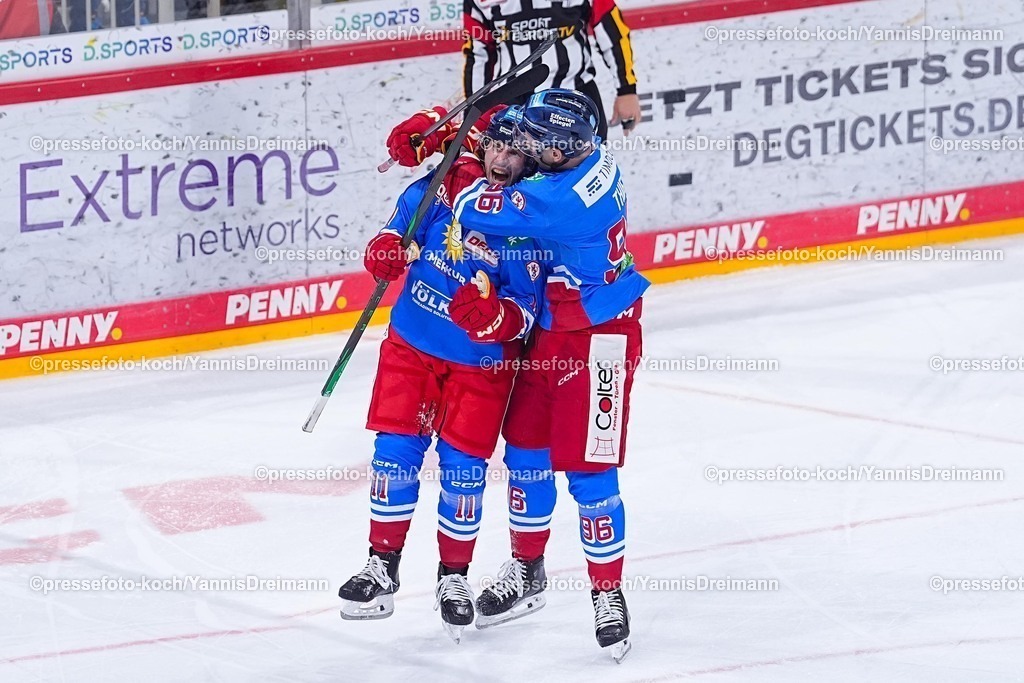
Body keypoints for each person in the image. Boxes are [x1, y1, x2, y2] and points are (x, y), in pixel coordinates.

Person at [451, 89, 648, 660]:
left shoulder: (560, 200)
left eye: (536, 145)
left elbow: (469, 206)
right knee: (527, 453)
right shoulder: (581, 152)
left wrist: (466, 151)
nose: (527, 149)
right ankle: (527, 570)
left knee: (589, 471)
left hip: (599, 337)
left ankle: (608, 595)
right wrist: (491, 120)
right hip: (552, 326)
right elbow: (524, 128)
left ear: (557, 154)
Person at [337, 107, 545, 643]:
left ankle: (453, 577)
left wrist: (500, 318)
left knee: (463, 471)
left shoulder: (531, 220)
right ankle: (381, 565)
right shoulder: (443, 190)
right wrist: (384, 249)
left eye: (514, 152)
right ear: (480, 146)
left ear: (530, 159)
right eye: (495, 147)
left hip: (480, 365)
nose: (501, 159)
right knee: (395, 453)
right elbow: (395, 230)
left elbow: (528, 306)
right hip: (413, 343)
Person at [462, 0, 642, 139]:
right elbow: (479, 54)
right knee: (515, 181)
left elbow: (612, 31)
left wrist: (626, 90)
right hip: (514, 103)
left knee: (587, 178)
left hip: (577, 97)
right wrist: (474, 113)